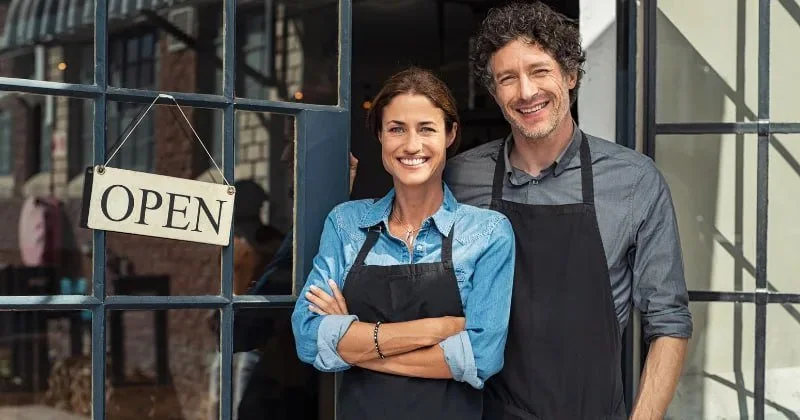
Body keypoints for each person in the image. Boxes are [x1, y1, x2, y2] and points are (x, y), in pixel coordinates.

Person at [444, 2, 693, 419]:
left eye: (540, 71)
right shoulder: (458, 178)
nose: (526, 92)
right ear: (495, 93)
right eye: (508, 78)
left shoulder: (633, 181)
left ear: (571, 75)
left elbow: (668, 322)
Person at [291, 67, 515, 420]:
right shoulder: (347, 224)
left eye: (427, 129)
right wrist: (437, 329)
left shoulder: (487, 233)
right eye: (396, 129)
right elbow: (307, 336)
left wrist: (353, 344)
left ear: (450, 134)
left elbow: (482, 357)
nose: (412, 145)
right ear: (380, 135)